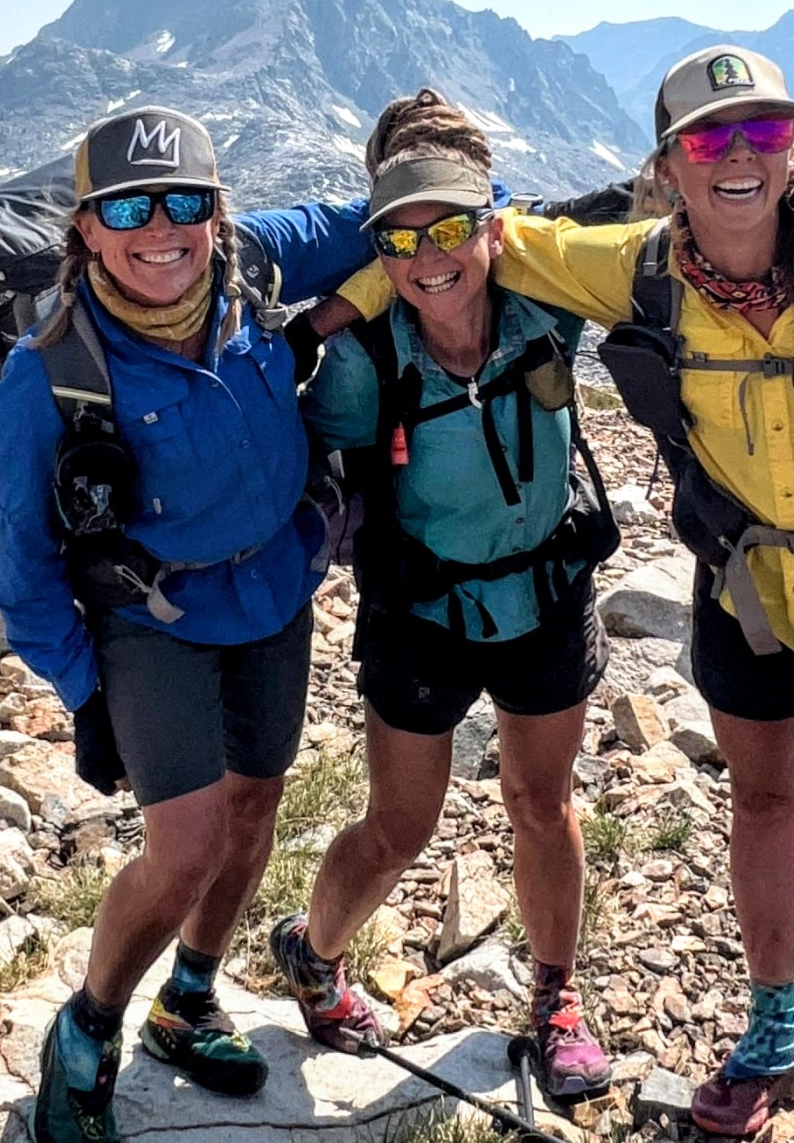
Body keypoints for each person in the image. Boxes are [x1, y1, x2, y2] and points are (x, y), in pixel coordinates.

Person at [328, 49, 794, 1143]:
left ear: (791, 148)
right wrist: (334, 310)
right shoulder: (638, 269)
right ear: (667, 166)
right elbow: (463, 238)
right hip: (748, 593)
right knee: (761, 808)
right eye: (710, 138)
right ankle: (775, 1029)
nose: (737, 156)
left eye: (763, 134)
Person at [0, 106, 381, 1143]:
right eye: (127, 209)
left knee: (254, 807)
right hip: (152, 621)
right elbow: (26, 575)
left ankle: (189, 1000)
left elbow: (389, 214)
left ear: (217, 212)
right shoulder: (45, 380)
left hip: (273, 594)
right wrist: (84, 696)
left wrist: (481, 197)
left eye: (183, 203)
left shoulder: (256, 268)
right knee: (186, 850)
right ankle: (86, 1030)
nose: (159, 229)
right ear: (85, 229)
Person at [268, 90, 619, 1101]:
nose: (429, 257)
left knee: (542, 805)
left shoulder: (546, 305)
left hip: (545, 593)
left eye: (450, 229)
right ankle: (316, 955)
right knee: (399, 826)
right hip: (420, 613)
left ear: (490, 226)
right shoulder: (362, 361)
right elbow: (289, 448)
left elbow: (644, 241)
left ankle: (555, 1000)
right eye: (401, 238)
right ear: (377, 248)